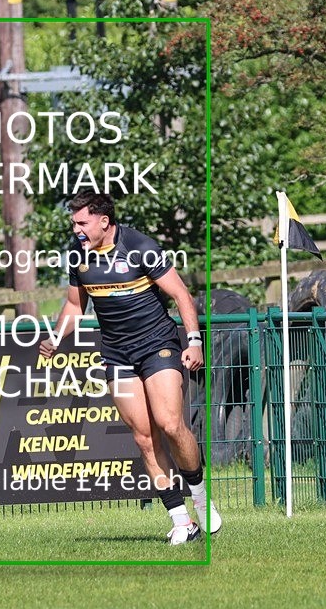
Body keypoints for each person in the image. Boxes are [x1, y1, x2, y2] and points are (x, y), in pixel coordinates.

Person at [38, 193, 221, 545]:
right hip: (117, 353)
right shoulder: (78, 254)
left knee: (169, 423)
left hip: (158, 345)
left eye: (82, 223)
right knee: (144, 437)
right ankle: (181, 521)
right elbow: (76, 305)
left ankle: (200, 496)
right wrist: (56, 337)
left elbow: (182, 295)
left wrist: (195, 341)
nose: (75, 229)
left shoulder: (140, 246)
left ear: (104, 222)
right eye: (73, 223)